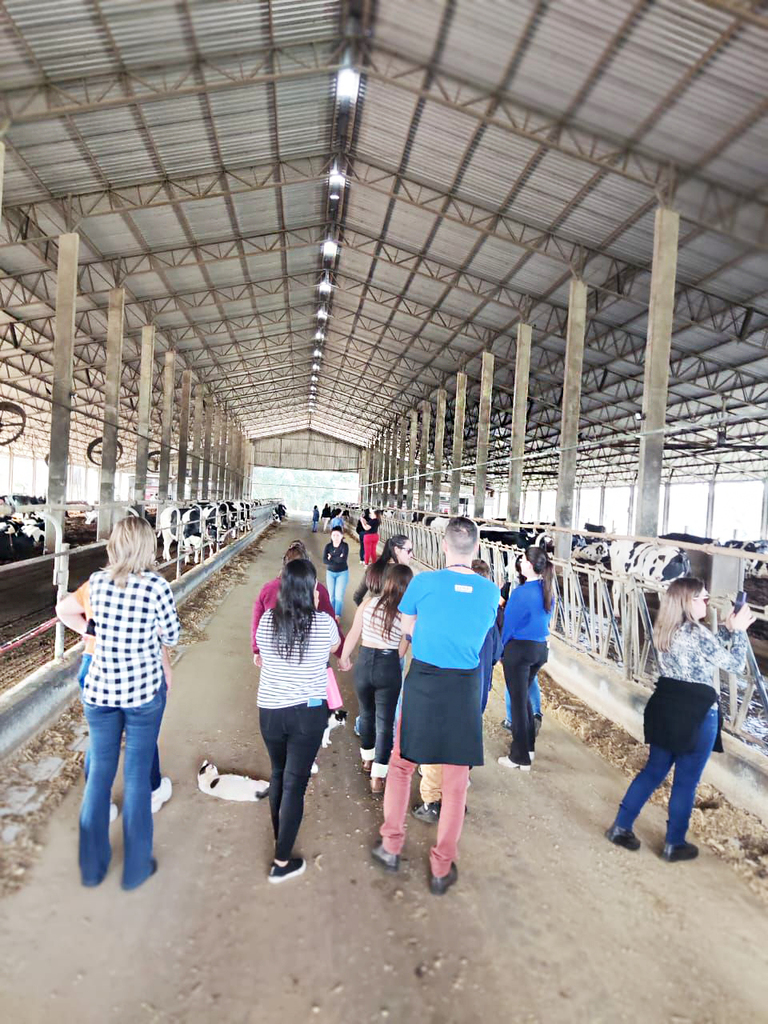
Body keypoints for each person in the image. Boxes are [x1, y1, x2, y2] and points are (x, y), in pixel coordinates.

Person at [371, 517, 499, 895]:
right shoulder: (490, 592)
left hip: (424, 680)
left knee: (401, 765)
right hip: (464, 687)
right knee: (456, 784)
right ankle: (441, 869)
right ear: (476, 549)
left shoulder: (423, 583)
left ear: (443, 546)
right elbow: (481, 630)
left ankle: (391, 846)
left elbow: (408, 627)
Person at [606, 578, 754, 862]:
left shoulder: (666, 629)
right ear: (688, 601)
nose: (707, 603)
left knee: (653, 770)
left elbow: (703, 653)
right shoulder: (697, 633)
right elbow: (734, 665)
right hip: (697, 714)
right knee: (685, 782)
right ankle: (674, 843)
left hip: (666, 706)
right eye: (702, 598)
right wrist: (739, 633)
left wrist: (726, 629)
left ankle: (620, 827)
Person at [78, 517, 180, 890]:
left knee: (99, 778)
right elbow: (171, 632)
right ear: (146, 546)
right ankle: (136, 868)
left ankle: (91, 867)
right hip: (142, 695)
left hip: (100, 692)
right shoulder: (156, 586)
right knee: (137, 779)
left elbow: (92, 627)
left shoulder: (97, 582)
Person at [56, 581, 173, 823]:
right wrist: (166, 666)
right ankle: (150, 792)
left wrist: (90, 634)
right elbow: (162, 633)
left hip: (95, 662)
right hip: (137, 665)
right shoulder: (150, 586)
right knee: (142, 734)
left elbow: (63, 610)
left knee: (99, 741)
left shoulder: (95, 584)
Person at [256, 559, 340, 883]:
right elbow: (334, 648)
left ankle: (282, 838)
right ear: (311, 591)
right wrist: (319, 608)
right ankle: (280, 861)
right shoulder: (324, 624)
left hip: (271, 712)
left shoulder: (266, 621)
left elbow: (266, 656)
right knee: (295, 784)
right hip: (308, 713)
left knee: (278, 773)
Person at [413, 558, 502, 824]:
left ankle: (432, 801)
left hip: (442, 686)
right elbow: (497, 654)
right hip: (474, 690)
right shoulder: (487, 617)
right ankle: (455, 802)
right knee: (460, 746)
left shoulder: (447, 612)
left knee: (434, 742)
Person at [341, 565, 413, 795]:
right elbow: (402, 650)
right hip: (388, 665)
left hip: (364, 662)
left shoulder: (368, 603)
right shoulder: (406, 613)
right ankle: (378, 777)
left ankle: (366, 760)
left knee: (367, 714)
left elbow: (354, 633)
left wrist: (344, 657)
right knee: (385, 722)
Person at [498, 545, 554, 772]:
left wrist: (499, 651)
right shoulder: (547, 588)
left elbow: (508, 625)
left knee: (519, 703)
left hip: (519, 651)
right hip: (539, 649)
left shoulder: (521, 592)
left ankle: (519, 757)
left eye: (521, 559)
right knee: (525, 700)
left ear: (529, 565)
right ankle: (528, 746)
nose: (519, 562)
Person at [252, 540, 344, 662]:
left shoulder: (268, 590)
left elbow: (256, 622)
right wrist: (343, 654)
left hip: (276, 654)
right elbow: (331, 624)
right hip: (309, 656)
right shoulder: (317, 589)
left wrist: (257, 650)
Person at [499, 579, 542, 736]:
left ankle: (511, 720)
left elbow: (501, 606)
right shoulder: (542, 588)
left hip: (516, 643)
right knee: (532, 678)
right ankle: (536, 713)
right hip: (536, 642)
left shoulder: (514, 589)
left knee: (513, 682)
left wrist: (501, 647)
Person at [353, 534, 413, 606]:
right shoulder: (405, 573)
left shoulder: (373, 568)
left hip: (372, 615)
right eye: (409, 550)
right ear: (397, 550)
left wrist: (367, 613)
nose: (411, 555)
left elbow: (357, 597)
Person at [323, 526, 350, 617]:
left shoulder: (345, 546)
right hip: (330, 573)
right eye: (333, 535)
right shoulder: (328, 546)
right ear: (331, 536)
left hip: (342, 573)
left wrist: (331, 557)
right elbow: (324, 560)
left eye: (338, 535)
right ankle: (331, 615)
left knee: (339, 596)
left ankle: (337, 615)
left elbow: (343, 560)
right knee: (331, 596)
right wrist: (338, 557)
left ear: (342, 536)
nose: (336, 537)